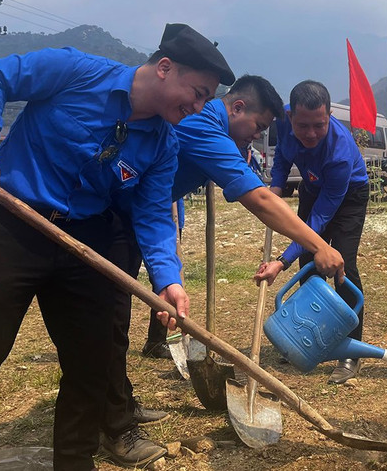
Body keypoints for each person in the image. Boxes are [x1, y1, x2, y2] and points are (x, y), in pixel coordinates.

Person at [0, 23, 232, 471]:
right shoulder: (75, 70)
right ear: (165, 68)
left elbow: (152, 214)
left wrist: (168, 279)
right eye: (198, 93)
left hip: (84, 241)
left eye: (206, 99)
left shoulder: (164, 144)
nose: (198, 107)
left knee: (92, 364)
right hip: (9, 224)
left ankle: (74, 462)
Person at [104, 75, 346, 465]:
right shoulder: (204, 128)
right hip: (112, 218)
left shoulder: (214, 130)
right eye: (258, 126)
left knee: (114, 320)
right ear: (237, 108)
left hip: (135, 219)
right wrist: (319, 245)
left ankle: (119, 404)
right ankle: (111, 421)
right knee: (109, 322)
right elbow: (260, 199)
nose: (257, 136)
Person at [256, 80, 369, 384]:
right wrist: (276, 186)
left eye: (319, 125)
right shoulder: (282, 123)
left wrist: (282, 261)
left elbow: (318, 221)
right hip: (311, 186)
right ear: (290, 117)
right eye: (303, 126)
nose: (311, 134)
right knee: (308, 263)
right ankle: (301, 337)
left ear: (329, 115)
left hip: (348, 195)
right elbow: (283, 156)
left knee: (341, 264)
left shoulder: (340, 152)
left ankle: (350, 352)